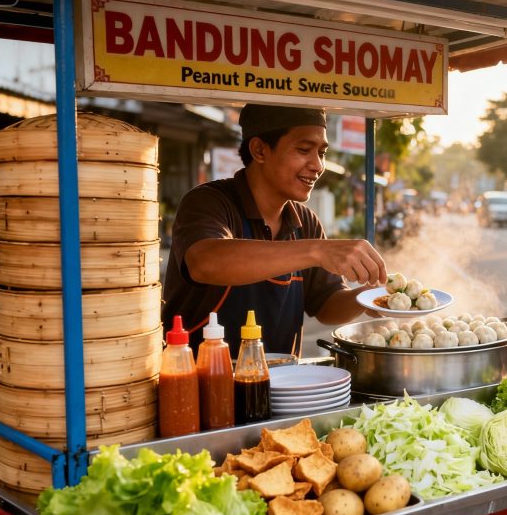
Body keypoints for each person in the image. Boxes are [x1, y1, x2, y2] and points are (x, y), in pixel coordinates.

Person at [163, 104, 387, 357]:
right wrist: (317, 251)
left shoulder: (306, 221)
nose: (318, 165)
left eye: (322, 153)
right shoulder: (209, 201)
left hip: (282, 378)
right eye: (304, 150)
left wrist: (366, 297)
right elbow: (205, 263)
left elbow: (326, 305)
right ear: (260, 150)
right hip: (201, 375)